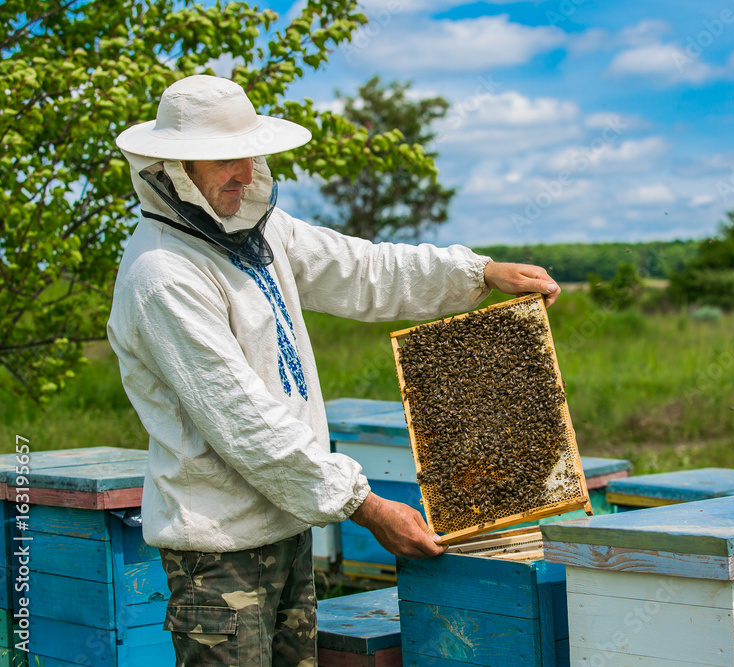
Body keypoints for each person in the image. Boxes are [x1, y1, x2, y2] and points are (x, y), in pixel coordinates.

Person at [107, 74, 560, 666]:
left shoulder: (258, 231)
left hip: (289, 528)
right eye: (223, 158)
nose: (243, 171)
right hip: (218, 555)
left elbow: (364, 269)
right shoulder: (164, 274)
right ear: (176, 165)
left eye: (248, 151)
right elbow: (248, 424)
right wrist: (366, 507)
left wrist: (479, 272)